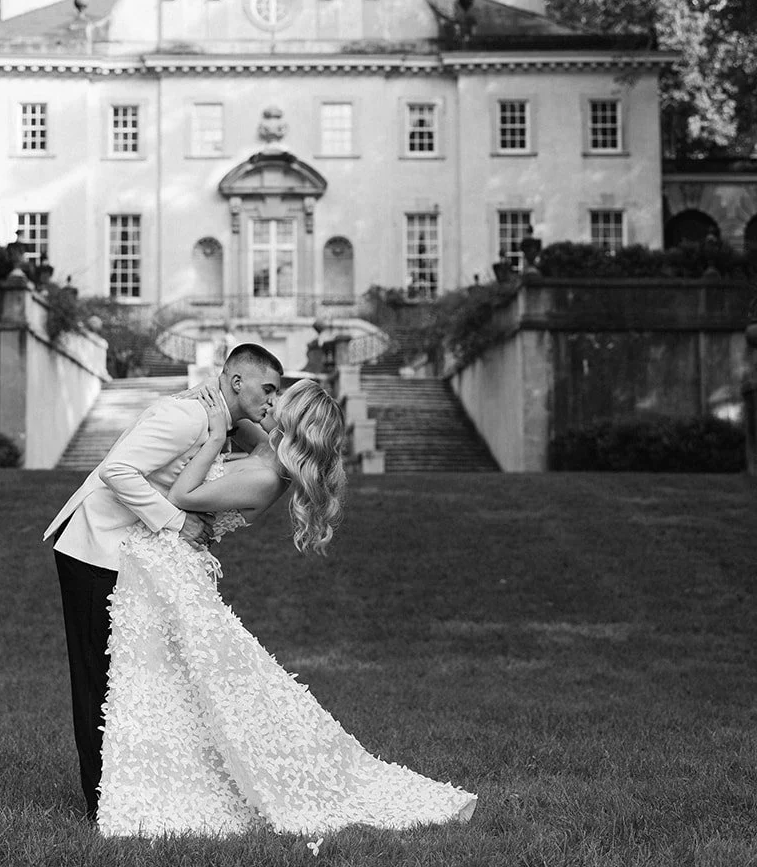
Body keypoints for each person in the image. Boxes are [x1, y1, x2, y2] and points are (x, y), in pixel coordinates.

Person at [97, 378, 477, 839]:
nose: (270, 402)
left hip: (171, 567)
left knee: (176, 682)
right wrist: (220, 402)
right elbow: (252, 425)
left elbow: (181, 498)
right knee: (174, 682)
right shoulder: (268, 452)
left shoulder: (262, 477)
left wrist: (216, 437)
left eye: (281, 400)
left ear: (293, 422)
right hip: (161, 563)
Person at [42, 343, 284, 819]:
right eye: (268, 389)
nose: (272, 400)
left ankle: (128, 783)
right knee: (97, 680)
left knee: (129, 679)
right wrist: (176, 522)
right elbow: (116, 470)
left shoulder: (224, 419)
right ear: (236, 382)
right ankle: (101, 803)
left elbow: (268, 439)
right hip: (94, 547)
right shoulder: (189, 418)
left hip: (128, 554)